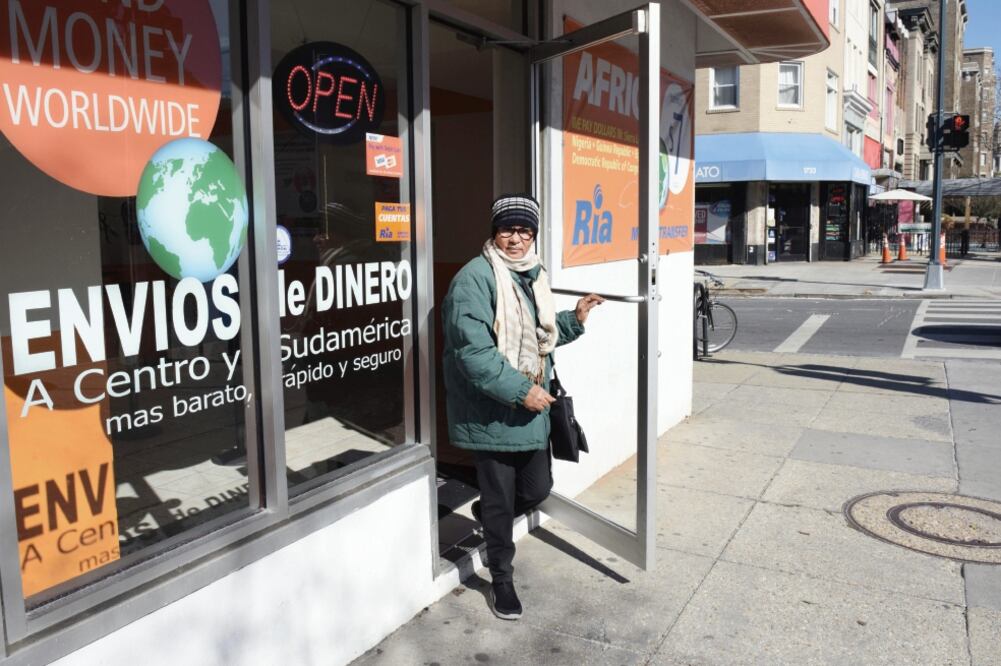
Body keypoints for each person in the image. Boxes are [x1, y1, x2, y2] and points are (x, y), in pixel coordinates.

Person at [441, 194, 603, 621]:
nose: (515, 239)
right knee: (500, 500)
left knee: (536, 489)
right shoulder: (474, 280)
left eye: (524, 231)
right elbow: (473, 354)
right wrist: (521, 391)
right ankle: (502, 579)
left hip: (530, 409)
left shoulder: (531, 274)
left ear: (533, 235)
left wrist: (574, 320)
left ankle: (489, 517)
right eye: (507, 230)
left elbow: (535, 337)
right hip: (491, 412)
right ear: (494, 232)